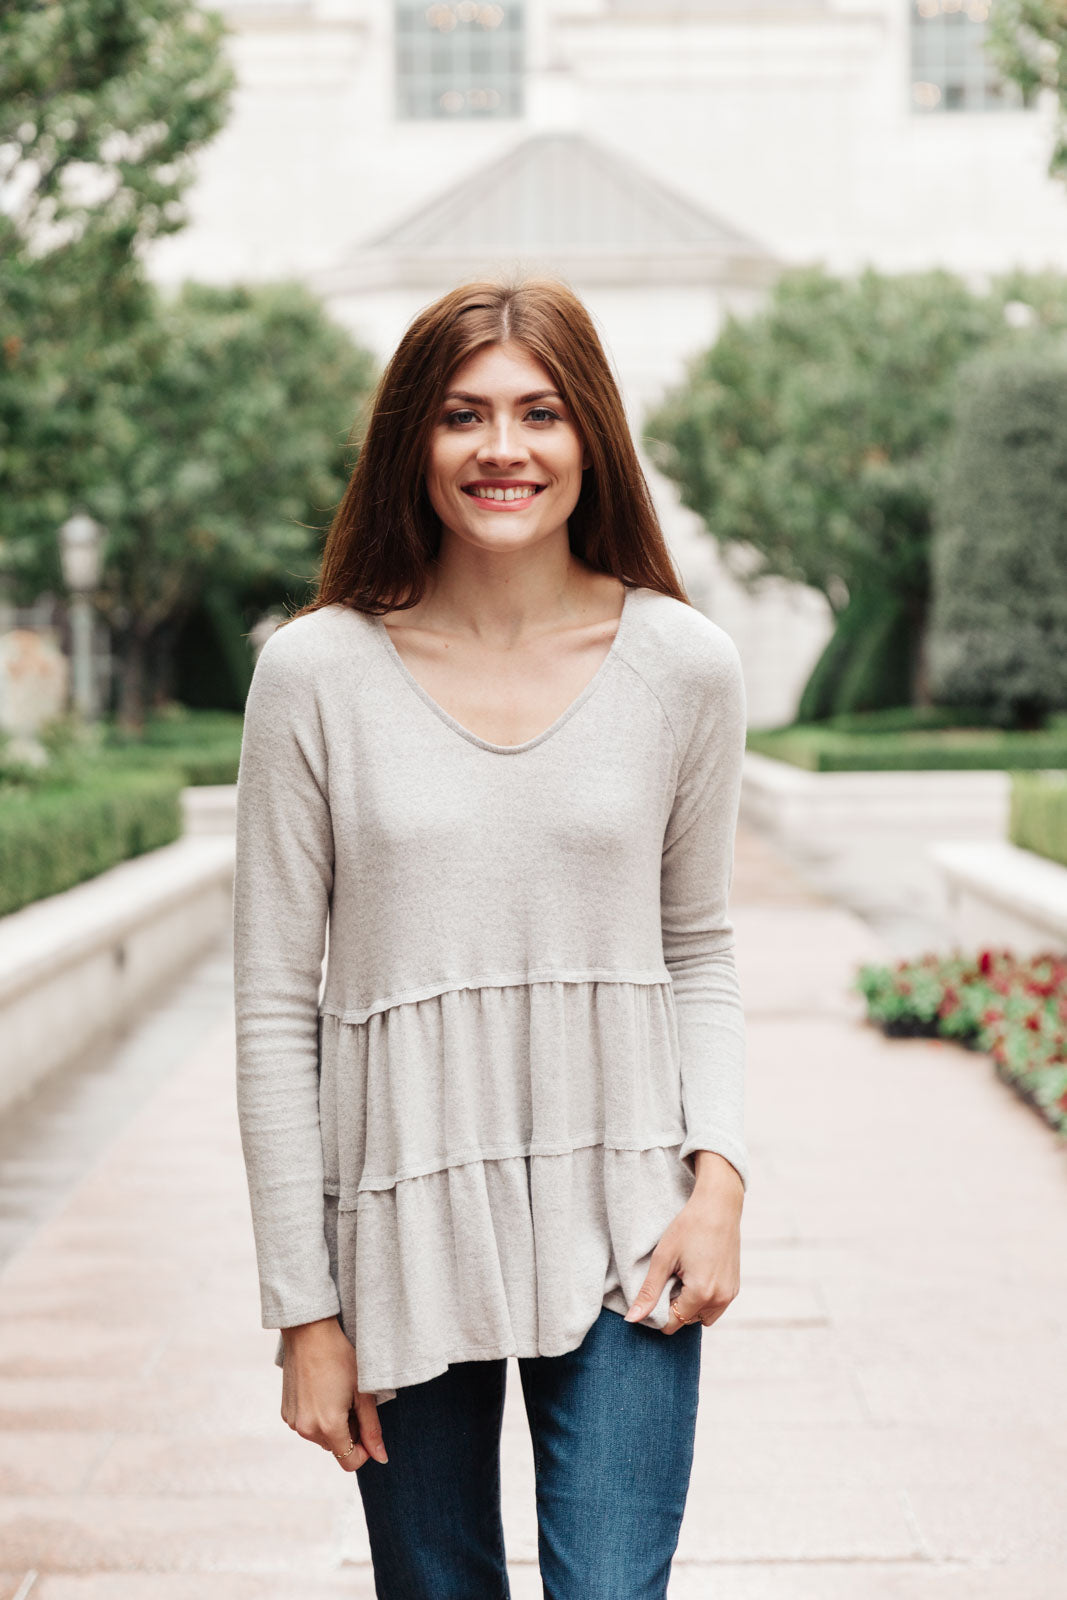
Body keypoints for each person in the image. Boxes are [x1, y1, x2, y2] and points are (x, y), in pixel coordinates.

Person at [232, 276, 749, 1599]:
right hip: (400, 1228)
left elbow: (699, 944)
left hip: (630, 1218)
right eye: (464, 415)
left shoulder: (685, 666)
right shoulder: (314, 677)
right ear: (415, 440)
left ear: (592, 440)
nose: (503, 449)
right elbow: (274, 1008)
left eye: (540, 413)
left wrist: (721, 1185)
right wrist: (304, 1309)